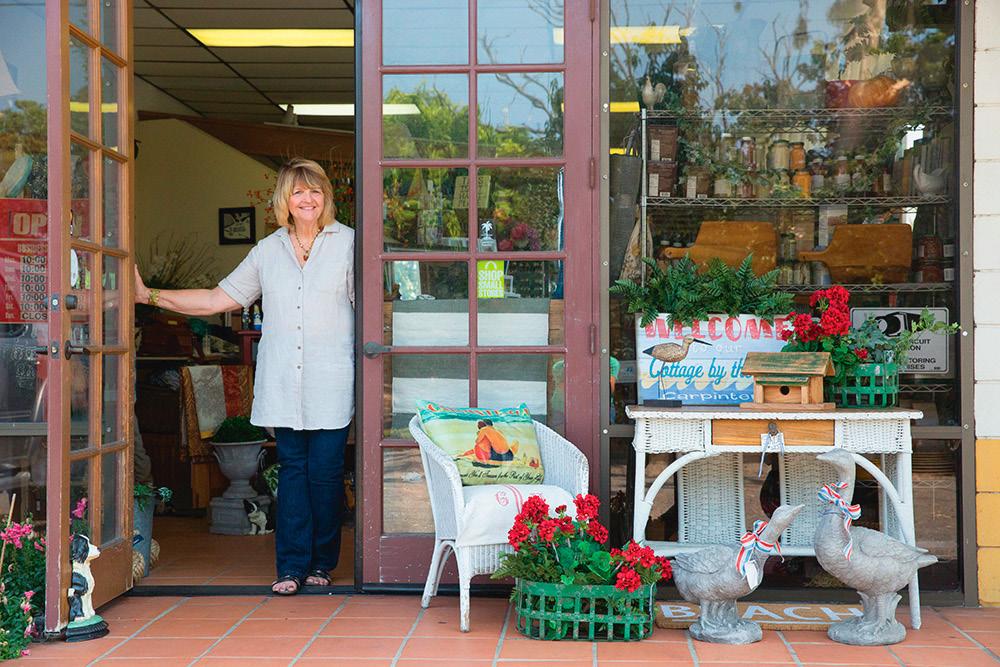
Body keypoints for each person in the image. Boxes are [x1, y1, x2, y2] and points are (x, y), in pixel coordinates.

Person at [134, 158, 354, 595]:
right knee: (292, 473)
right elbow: (216, 299)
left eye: (314, 190)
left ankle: (322, 562)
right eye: (298, 191)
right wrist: (148, 295)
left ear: (326, 196)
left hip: (332, 380)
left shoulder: (349, 243)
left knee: (326, 475)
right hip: (283, 381)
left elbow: (369, 308)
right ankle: (291, 566)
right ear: (284, 200)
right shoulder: (268, 251)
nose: (307, 199)